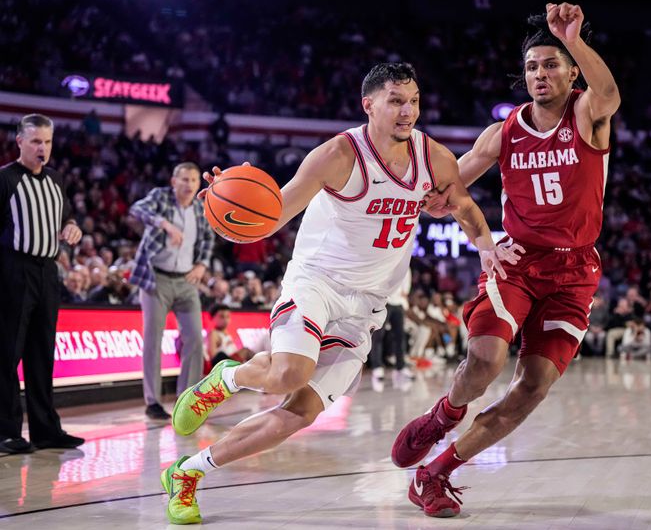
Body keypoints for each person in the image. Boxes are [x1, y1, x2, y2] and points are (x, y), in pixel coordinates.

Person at [160, 62, 520, 525]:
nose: (407, 110)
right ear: (368, 104)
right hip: (317, 283)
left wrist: (486, 245)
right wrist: (227, 207)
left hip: (368, 305)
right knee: (290, 373)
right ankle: (226, 380)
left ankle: (188, 473)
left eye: (413, 100)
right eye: (395, 100)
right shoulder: (337, 155)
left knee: (299, 413)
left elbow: (465, 207)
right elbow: (274, 215)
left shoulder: (435, 159)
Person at [391, 4, 621, 517]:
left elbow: (609, 96)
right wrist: (430, 199)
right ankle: (444, 415)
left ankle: (436, 473)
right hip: (517, 262)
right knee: (488, 360)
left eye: (552, 64)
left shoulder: (587, 113)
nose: (541, 74)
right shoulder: (505, 131)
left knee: (533, 386)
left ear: (572, 71)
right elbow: (453, 181)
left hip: (574, 273)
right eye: (534, 66)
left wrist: (574, 37)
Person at [0, 114, 85, 454]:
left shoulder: (55, 179)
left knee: (42, 354)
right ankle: (7, 432)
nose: (42, 148)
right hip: (13, 270)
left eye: (47, 142)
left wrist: (72, 227)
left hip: (48, 271)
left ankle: (46, 431)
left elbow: (65, 217)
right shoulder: (5, 179)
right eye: (36, 141)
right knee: (8, 354)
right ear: (19, 141)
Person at [129, 162, 214, 421]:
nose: (189, 184)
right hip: (156, 278)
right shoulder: (160, 196)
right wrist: (165, 224)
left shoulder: (201, 208)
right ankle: (152, 402)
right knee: (153, 340)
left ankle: (187, 399)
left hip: (187, 281)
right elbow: (137, 209)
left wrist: (202, 264)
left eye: (193, 180)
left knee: (195, 341)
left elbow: (209, 238)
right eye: (184, 179)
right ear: (174, 181)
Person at [205, 303, 256, 370]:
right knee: (245, 351)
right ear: (213, 318)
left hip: (232, 361)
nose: (225, 320)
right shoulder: (213, 334)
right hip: (224, 365)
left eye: (228, 316)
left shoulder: (226, 333)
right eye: (222, 317)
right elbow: (214, 358)